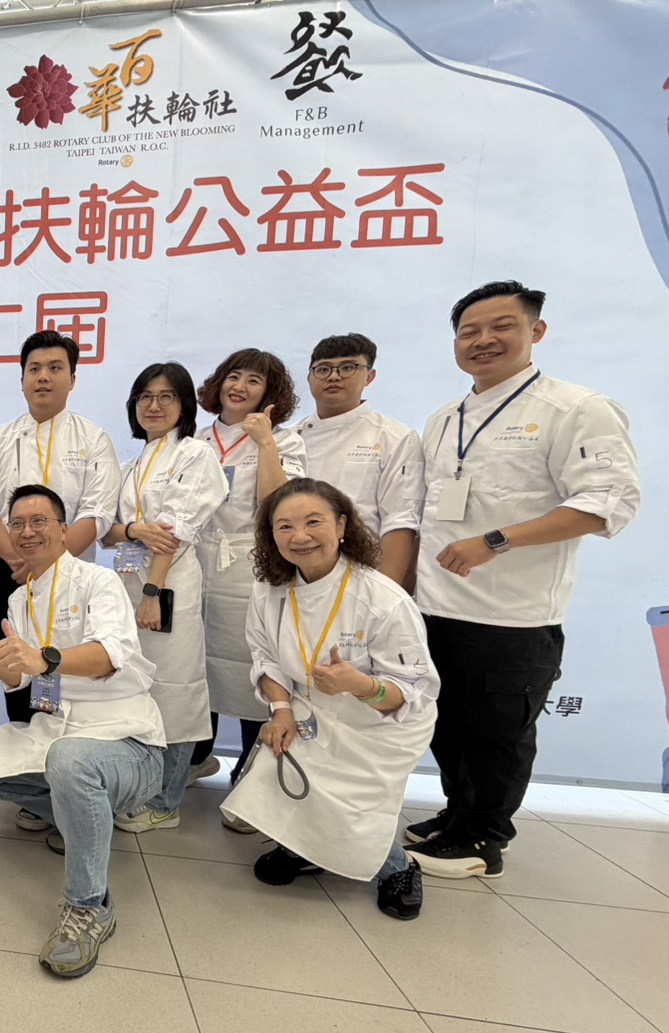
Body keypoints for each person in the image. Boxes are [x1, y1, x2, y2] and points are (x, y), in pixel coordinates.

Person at [406, 280, 640, 879]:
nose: (483, 340)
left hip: (512, 615)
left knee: (497, 733)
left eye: (501, 326)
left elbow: (607, 504)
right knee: (447, 723)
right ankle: (459, 814)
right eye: (469, 331)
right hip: (435, 606)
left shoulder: (575, 408)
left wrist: (495, 541)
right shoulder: (444, 419)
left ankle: (483, 838)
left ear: (536, 331)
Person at [0, 485, 165, 978]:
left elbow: (109, 657)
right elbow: (18, 677)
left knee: (70, 762)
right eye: (17, 523)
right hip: (57, 733)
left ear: (64, 530)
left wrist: (45, 658)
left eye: (39, 521)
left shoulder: (98, 581)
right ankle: (85, 821)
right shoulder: (20, 599)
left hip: (126, 740)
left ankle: (89, 907)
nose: (27, 532)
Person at [222, 478, 436, 920]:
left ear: (341, 526)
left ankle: (398, 868)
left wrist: (360, 685)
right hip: (309, 708)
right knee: (275, 769)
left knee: (348, 801)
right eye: (284, 527)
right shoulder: (269, 590)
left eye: (313, 522)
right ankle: (304, 850)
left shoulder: (382, 598)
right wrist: (281, 711)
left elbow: (414, 692)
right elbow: (266, 659)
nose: (299, 536)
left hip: (379, 724)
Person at [0, 330, 120, 725]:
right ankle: (23, 741)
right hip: (9, 571)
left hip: (71, 575)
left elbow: (97, 512)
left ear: (72, 379)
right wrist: (19, 558)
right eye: (34, 369)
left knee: (66, 663)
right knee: (13, 666)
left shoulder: (94, 439)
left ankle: (69, 747)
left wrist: (50, 563)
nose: (43, 377)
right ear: (22, 380)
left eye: (55, 368)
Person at [103, 364, 227, 835]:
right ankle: (139, 784)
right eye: (145, 397)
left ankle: (166, 800)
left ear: (184, 405)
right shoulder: (131, 466)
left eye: (166, 396)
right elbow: (107, 532)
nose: (154, 406)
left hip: (166, 587)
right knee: (137, 686)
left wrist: (153, 592)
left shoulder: (196, 454)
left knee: (175, 690)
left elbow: (175, 531)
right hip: (128, 585)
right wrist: (134, 529)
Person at [189, 349, 306, 818]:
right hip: (196, 563)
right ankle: (196, 756)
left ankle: (251, 772)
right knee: (196, 662)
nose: (239, 387)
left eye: (253, 381)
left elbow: (280, 506)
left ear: (269, 393)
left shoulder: (284, 440)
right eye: (233, 376)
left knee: (251, 665)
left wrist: (265, 443)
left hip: (250, 569)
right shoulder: (196, 439)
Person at [295, 334, 424, 590]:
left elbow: (400, 521)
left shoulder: (394, 437)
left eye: (347, 367)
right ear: (309, 377)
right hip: (294, 571)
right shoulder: (290, 438)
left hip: (361, 575)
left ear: (369, 376)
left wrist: (385, 596)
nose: (334, 376)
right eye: (323, 369)